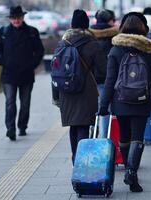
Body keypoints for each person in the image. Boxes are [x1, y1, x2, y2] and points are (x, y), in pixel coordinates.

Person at [98, 12, 151, 193]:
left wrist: (103, 105)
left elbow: (110, 81)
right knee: (138, 138)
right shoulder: (148, 50)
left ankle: (129, 168)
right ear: (143, 28)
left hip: (120, 101)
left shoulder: (116, 50)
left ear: (123, 27)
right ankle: (131, 172)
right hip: (142, 101)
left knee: (124, 137)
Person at [52, 9, 106, 164]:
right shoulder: (92, 44)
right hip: (86, 90)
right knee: (83, 125)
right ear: (87, 25)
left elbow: (56, 70)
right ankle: (82, 162)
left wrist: (56, 95)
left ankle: (75, 157)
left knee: (73, 125)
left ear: (72, 25)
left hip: (66, 91)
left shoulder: (62, 43)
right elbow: (103, 72)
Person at [0, 5, 44, 141]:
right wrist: (2, 62)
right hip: (8, 75)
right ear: (10, 19)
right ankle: (10, 129)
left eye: (18, 18)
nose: (16, 20)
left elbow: (39, 51)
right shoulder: (3, 32)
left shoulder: (32, 32)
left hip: (26, 74)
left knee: (25, 103)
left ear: (22, 18)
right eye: (13, 18)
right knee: (10, 102)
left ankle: (22, 126)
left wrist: (32, 64)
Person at [89, 9, 119, 138]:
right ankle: (105, 138)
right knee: (106, 109)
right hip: (110, 79)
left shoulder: (89, 36)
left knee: (94, 109)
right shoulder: (116, 37)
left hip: (91, 79)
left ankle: (92, 133)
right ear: (110, 21)